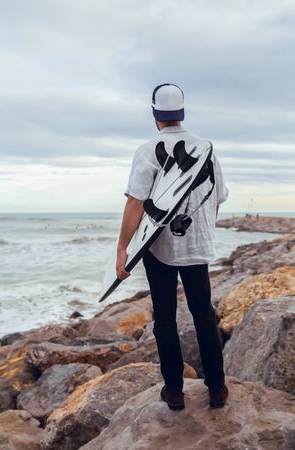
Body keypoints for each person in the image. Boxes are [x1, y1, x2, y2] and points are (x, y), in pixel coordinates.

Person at [116, 83, 229, 410]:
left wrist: (123, 248)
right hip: (197, 248)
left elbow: (136, 203)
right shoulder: (207, 148)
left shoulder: (148, 150)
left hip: (158, 249)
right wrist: (203, 234)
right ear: (182, 113)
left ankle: (175, 392)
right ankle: (217, 389)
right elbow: (216, 198)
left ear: (155, 116)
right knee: (203, 315)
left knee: (164, 318)